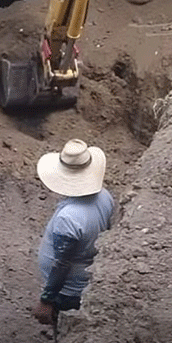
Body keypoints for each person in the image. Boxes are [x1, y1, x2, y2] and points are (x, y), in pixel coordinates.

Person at [32, 139, 115, 327]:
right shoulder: (104, 196)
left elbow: (61, 264)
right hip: (84, 278)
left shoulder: (69, 218)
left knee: (65, 327)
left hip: (68, 291)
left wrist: (46, 300)